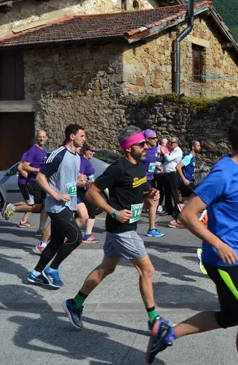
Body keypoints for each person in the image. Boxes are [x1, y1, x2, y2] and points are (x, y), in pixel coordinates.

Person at [146, 118, 238, 365]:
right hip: (224, 261)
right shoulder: (223, 174)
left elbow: (229, 207)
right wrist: (219, 244)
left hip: (234, 255)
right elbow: (187, 215)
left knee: (230, 316)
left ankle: (167, 333)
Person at [62, 126, 166, 331]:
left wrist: (150, 196)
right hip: (122, 229)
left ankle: (75, 304)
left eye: (146, 143)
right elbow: (92, 192)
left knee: (107, 268)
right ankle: (154, 320)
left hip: (127, 226)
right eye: (141, 144)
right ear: (128, 148)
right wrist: (113, 212)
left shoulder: (139, 166)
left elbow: (139, 196)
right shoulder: (118, 168)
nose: (146, 147)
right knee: (147, 269)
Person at [27, 124, 85, 288]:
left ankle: (35, 273)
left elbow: (66, 181)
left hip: (69, 204)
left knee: (56, 242)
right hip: (57, 206)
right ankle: (52, 269)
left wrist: (79, 182)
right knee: (76, 238)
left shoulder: (77, 156)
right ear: (72, 136)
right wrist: (55, 195)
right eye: (82, 136)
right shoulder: (58, 154)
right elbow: (40, 177)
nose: (84, 139)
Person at [2, 131, 50, 249]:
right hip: (33, 182)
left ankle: (41, 228)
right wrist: (36, 172)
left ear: (46, 138)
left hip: (41, 182)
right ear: (36, 138)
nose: (41, 139)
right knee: (35, 206)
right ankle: (13, 208)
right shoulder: (33, 150)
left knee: (45, 205)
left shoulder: (43, 151)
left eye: (43, 137)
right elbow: (23, 166)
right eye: (39, 137)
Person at [142, 129, 165, 237]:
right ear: (146, 139)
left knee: (149, 202)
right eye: (153, 138)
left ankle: (151, 228)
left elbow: (152, 161)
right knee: (153, 201)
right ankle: (152, 229)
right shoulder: (142, 149)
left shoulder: (155, 148)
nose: (156, 140)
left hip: (151, 178)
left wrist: (157, 167)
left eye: (156, 138)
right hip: (142, 178)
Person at [77, 143, 100, 243]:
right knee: (90, 211)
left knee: (87, 212)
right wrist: (86, 183)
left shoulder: (87, 161)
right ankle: (86, 236)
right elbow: (79, 176)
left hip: (87, 189)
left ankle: (85, 235)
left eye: (94, 151)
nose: (93, 153)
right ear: (85, 150)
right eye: (91, 150)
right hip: (83, 190)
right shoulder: (83, 161)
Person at [162, 136, 183, 227]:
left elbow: (169, 159)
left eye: (172, 142)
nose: (170, 144)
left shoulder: (178, 151)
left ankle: (177, 211)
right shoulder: (171, 150)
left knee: (174, 193)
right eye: (169, 142)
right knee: (167, 193)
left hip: (172, 174)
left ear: (177, 143)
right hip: (167, 174)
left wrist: (164, 152)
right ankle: (168, 209)